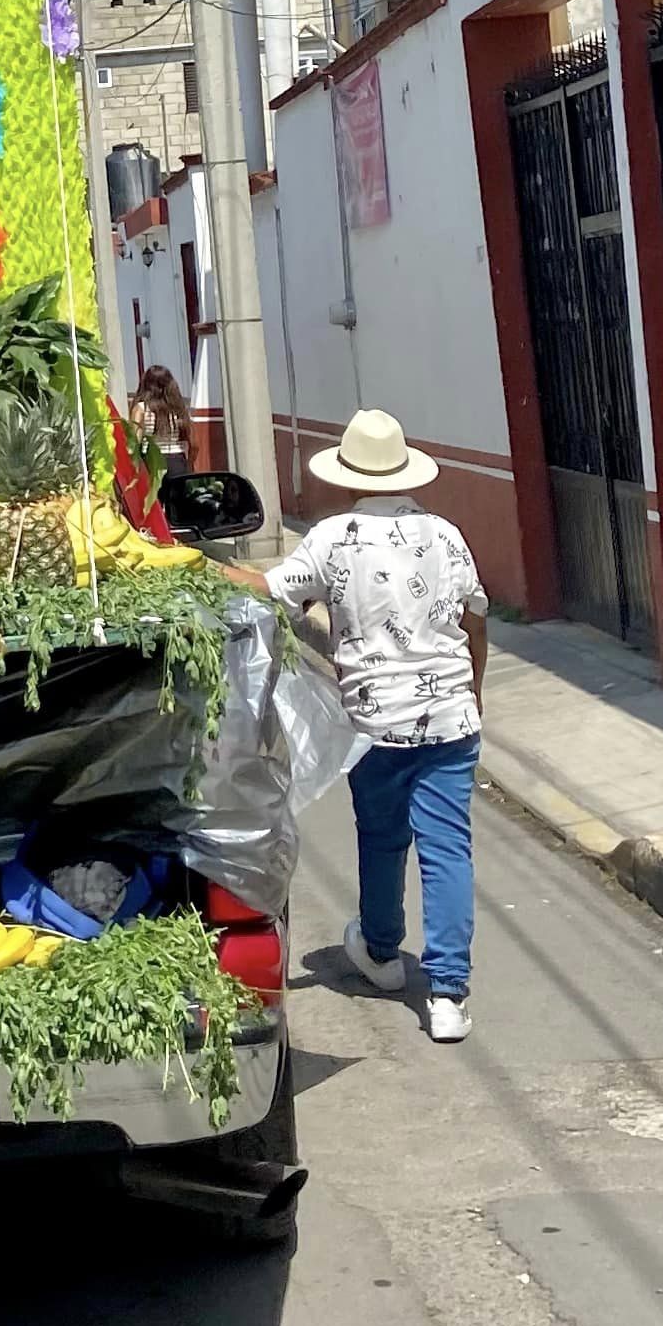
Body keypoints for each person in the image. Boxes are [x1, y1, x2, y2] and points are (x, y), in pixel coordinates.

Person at [226, 408, 487, 1043]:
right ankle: (448, 995)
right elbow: (475, 620)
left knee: (381, 836)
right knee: (447, 848)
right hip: (451, 718)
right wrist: (472, 693)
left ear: (348, 478)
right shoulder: (446, 534)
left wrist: (192, 562)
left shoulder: (332, 537)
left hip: (374, 723)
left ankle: (379, 951)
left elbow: (268, 590)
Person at [130, 365, 193, 479]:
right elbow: (191, 440)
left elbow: (134, 442)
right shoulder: (178, 408)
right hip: (177, 461)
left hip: (152, 461)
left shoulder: (141, 408)